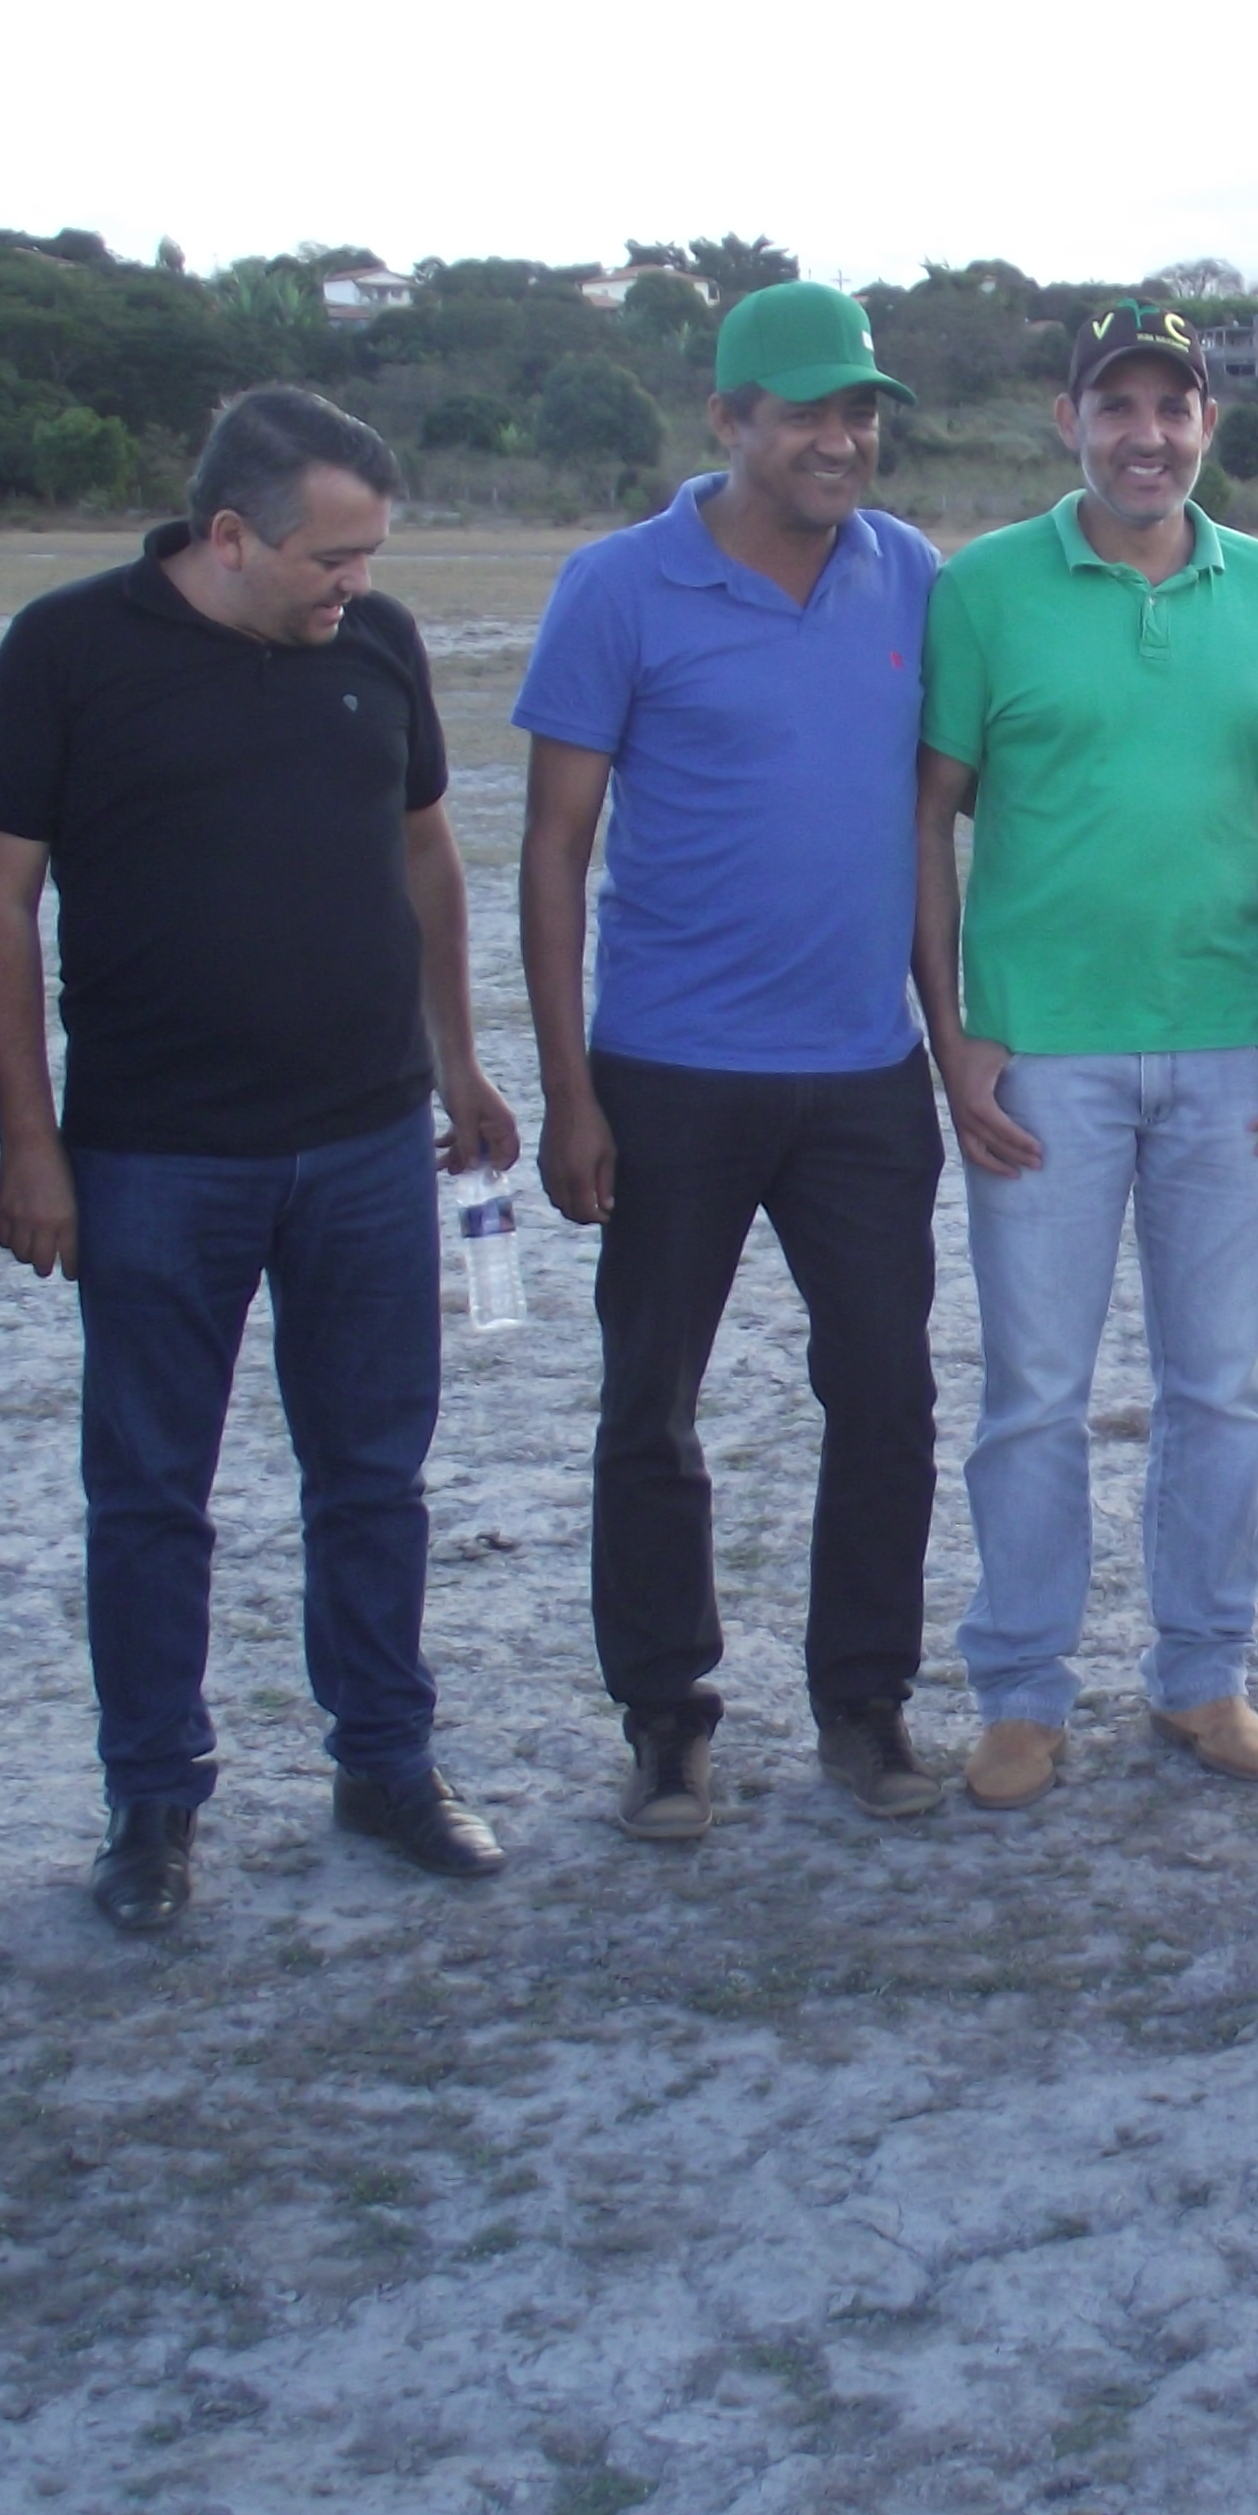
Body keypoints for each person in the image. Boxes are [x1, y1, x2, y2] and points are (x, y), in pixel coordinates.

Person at [0, 387, 524, 1932]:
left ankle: (388, 1765)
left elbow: (424, 855)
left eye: (370, 557)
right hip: (154, 1157)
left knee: (373, 1478)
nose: (356, 586)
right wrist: (33, 1141)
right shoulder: (69, 656)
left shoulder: (378, 645)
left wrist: (458, 1064)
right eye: (329, 558)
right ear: (225, 534)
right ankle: (152, 1805)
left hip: (360, 1144)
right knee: (150, 1492)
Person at [516, 283, 950, 1832]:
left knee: (888, 1397)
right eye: (809, 412)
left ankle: (866, 1705)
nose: (843, 440)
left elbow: (930, 820)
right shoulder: (619, 586)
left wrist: (953, 1040)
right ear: (729, 422)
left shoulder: (910, 575)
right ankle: (666, 1716)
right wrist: (570, 1090)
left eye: (861, 412)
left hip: (861, 1074)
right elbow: (556, 849)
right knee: (653, 1403)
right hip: (669, 1070)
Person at [915, 302, 1258, 1808]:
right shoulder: (984, 590)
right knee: (1035, 1390)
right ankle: (1023, 1690)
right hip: (1043, 1060)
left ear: (1208, 428)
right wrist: (956, 1033)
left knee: (1216, 1390)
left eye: (1175, 409)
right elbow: (929, 819)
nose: (1147, 436)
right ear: (1070, 422)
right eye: (1119, 408)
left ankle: (1202, 1677)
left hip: (1232, 1050)